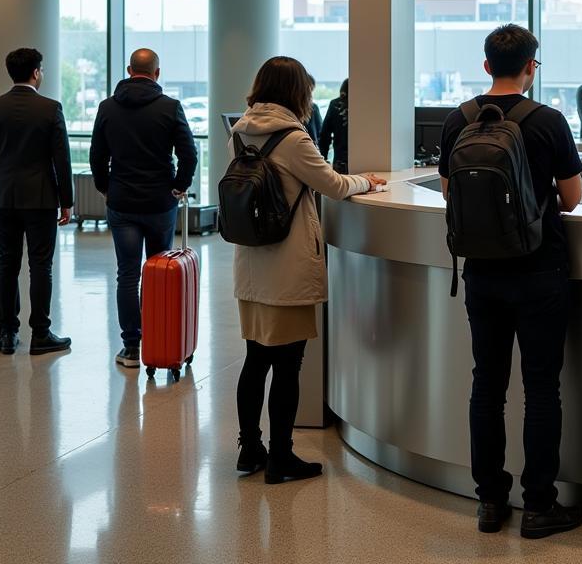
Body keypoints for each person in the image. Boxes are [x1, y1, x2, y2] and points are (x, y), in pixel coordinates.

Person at [439, 25, 582, 540]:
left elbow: (449, 191)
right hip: (540, 269)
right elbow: (570, 199)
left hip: (481, 273)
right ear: (531, 67)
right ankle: (540, 504)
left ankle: (489, 501)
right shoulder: (547, 121)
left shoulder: (458, 119)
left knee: (488, 385)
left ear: (485, 66)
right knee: (541, 388)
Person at [231, 56, 384, 484]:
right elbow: (333, 184)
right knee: (288, 363)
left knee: (255, 358)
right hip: (287, 264)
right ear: (298, 92)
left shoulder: (240, 131)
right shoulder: (292, 137)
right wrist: (367, 182)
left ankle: (249, 449)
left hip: (250, 263)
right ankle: (281, 457)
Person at [89, 48, 199, 369]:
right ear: (157, 73)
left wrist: (106, 187)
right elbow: (189, 154)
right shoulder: (170, 108)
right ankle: (157, 341)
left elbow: (97, 155)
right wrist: (178, 185)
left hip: (122, 201)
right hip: (159, 203)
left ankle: (130, 348)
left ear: (128, 70)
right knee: (157, 274)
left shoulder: (107, 107)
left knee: (127, 274)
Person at [0, 47, 73, 356]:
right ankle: (41, 334)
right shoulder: (50, 108)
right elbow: (62, 159)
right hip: (41, 198)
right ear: (36, 72)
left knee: (8, 265)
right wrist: (67, 201)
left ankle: (7, 333)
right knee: (41, 265)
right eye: (41, 70)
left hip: (4, 197)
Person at [318, 78, 349, 172]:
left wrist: (323, 159)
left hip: (341, 161)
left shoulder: (335, 105)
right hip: (364, 160)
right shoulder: (365, 105)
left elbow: (324, 135)